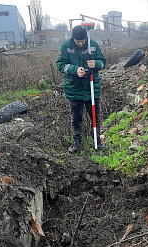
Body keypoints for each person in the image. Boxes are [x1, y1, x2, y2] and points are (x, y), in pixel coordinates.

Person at [56, 25, 107, 153]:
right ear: (73, 39)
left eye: (82, 41)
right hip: (74, 89)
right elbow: (60, 64)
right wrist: (75, 70)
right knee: (76, 119)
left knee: (95, 118)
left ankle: (97, 142)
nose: (80, 43)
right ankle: (77, 144)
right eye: (78, 41)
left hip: (91, 89)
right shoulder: (65, 46)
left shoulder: (93, 44)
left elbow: (103, 62)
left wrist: (95, 64)